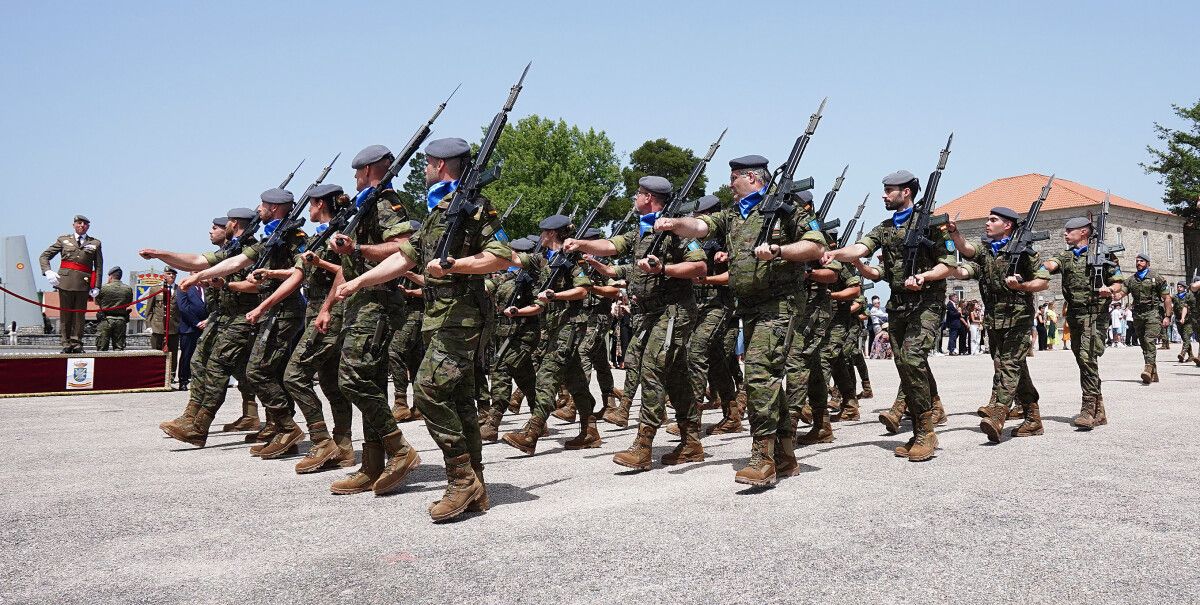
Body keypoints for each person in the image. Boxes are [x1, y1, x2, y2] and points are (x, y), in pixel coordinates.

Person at [334, 138, 515, 521]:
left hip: (463, 317)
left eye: (429, 164)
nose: (426, 170)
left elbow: (503, 257)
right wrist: (357, 282)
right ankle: (476, 486)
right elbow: (405, 257)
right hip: (440, 317)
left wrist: (454, 266)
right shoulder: (439, 213)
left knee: (429, 391)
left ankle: (461, 480)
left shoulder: (475, 208)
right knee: (460, 399)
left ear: (441, 165)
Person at [649, 154, 826, 485]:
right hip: (748, 306)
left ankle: (763, 458)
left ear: (754, 179)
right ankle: (786, 455)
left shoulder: (787, 210)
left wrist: (779, 251)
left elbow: (816, 246)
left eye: (735, 178)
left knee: (759, 375)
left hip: (780, 305)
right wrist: (675, 223)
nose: (730, 184)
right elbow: (701, 226)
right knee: (767, 378)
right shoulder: (732, 215)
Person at [564, 174, 708, 473]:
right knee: (677, 378)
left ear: (649, 198)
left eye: (638, 193)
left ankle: (643, 446)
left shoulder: (677, 231)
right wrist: (581, 244)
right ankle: (691, 442)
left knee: (652, 370)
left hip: (673, 311)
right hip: (650, 314)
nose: (634, 198)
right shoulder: (641, 232)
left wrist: (664, 268)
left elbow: (699, 267)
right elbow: (611, 245)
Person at [825, 169, 958, 462]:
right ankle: (922, 424)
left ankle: (926, 432)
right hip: (898, 305)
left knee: (912, 358)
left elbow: (948, 263)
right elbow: (862, 249)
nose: (884, 195)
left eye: (889, 190)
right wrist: (836, 254)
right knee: (905, 364)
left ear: (906, 191)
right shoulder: (885, 227)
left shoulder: (932, 224)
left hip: (927, 302)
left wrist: (924, 276)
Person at [313, 144, 420, 498]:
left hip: (378, 304)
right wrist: (330, 303)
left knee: (352, 379)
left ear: (371, 169)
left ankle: (400, 448)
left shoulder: (387, 201)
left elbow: (403, 247)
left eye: (358, 171)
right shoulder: (366, 204)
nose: (355, 177)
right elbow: (347, 266)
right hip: (360, 304)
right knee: (369, 380)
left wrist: (357, 250)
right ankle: (372, 464)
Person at [142, 207, 262, 444]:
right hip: (223, 317)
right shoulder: (232, 248)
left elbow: (256, 284)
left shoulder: (254, 249)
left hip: (241, 318)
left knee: (220, 370)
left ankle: (199, 426)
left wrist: (216, 283)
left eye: (221, 224)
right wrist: (160, 254)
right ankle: (191, 416)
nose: (212, 229)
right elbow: (197, 260)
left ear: (234, 223)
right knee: (201, 362)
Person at [946, 206, 1050, 441]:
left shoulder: (1026, 252)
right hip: (994, 320)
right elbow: (967, 249)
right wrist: (954, 233)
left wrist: (1021, 286)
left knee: (1009, 365)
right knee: (1013, 367)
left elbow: (1042, 282)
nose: (987, 223)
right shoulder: (985, 251)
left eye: (993, 220)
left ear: (1008, 225)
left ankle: (998, 415)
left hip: (1019, 317)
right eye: (988, 219)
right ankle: (1033, 419)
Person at [500, 212, 597, 454]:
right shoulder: (544, 260)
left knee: (547, 375)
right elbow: (516, 260)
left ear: (551, 233)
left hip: (571, 324)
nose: (541, 237)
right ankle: (590, 430)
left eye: (544, 232)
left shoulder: (573, 261)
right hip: (553, 325)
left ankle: (531, 433)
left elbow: (583, 290)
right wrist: (519, 311)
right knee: (575, 379)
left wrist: (557, 295)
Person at [280, 183, 356, 473]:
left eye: (311, 204)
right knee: (331, 384)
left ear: (320, 204)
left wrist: (325, 308)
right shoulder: (321, 236)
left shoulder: (338, 236)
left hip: (330, 313)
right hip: (319, 311)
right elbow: (301, 272)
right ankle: (344, 447)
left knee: (294, 374)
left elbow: (346, 271)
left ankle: (322, 441)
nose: (308, 210)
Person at [1037, 216, 1124, 430]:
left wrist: (1109, 289)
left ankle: (1088, 409)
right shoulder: (1065, 256)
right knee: (1084, 360)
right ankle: (1099, 410)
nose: (1065, 235)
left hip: (1095, 314)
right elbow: (1051, 264)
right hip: (1074, 314)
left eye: (1069, 231)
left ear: (1083, 232)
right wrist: (1036, 266)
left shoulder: (1104, 254)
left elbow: (1118, 283)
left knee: (1087, 357)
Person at [40, 215, 103, 353]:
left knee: (79, 315)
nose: (82, 225)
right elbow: (44, 256)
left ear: (88, 226)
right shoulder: (63, 240)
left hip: (83, 283)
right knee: (65, 314)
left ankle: (77, 343)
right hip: (65, 281)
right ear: (73, 225)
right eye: (79, 223)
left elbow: (98, 266)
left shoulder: (95, 243)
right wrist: (48, 271)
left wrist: (97, 286)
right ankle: (66, 344)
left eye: (85, 224)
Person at [1124, 253, 1172, 384]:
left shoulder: (1156, 277)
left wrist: (1167, 316)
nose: (1138, 263)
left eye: (1141, 261)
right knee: (1143, 344)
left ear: (1147, 263)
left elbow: (1167, 298)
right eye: (1137, 261)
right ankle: (1153, 373)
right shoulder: (1131, 279)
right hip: (1138, 315)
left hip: (1153, 312)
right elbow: (1120, 293)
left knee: (1149, 340)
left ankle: (1148, 368)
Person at [144, 268, 181, 380]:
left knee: (173, 353)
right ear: (163, 275)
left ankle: (171, 375)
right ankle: (156, 376)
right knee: (156, 351)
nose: (171, 276)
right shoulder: (155, 289)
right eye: (169, 274)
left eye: (173, 274)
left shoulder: (180, 289)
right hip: (157, 326)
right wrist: (149, 325)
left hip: (173, 327)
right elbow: (149, 309)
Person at [174, 273, 207, 391]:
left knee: (205, 355)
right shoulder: (184, 287)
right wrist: (197, 323)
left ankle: (201, 379)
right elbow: (183, 307)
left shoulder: (207, 288)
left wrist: (207, 321)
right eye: (195, 273)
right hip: (189, 328)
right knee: (187, 355)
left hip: (206, 327)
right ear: (190, 274)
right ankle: (183, 380)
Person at [94, 267, 133, 351]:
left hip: (105, 319)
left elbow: (96, 302)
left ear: (110, 276)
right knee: (119, 349)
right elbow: (129, 302)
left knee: (102, 348)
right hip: (121, 320)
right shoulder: (128, 289)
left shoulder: (103, 288)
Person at [1175, 282, 1193, 363]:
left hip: (1188, 320)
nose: (1179, 288)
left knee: (1186, 337)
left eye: (1181, 287)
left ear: (1184, 288)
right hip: (1178, 320)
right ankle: (1191, 356)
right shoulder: (1175, 296)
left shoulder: (1188, 296)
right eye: (1178, 287)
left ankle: (1182, 353)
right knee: (1184, 338)